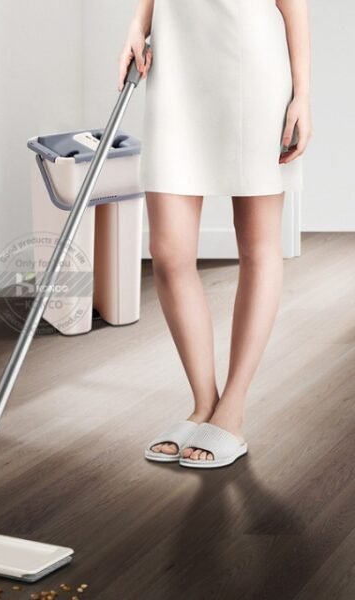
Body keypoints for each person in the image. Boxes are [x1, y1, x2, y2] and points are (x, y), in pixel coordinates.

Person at [119, 0, 313, 468]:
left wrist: (302, 94)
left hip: (253, 62)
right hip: (177, 65)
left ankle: (233, 408)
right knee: (168, 252)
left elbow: (294, 5)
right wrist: (137, 22)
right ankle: (203, 403)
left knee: (258, 246)